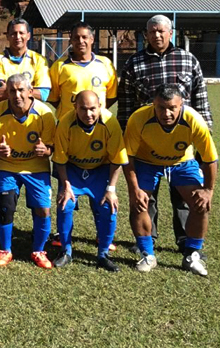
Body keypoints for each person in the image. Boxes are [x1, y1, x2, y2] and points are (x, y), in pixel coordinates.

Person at [118, 14, 213, 252]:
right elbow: (127, 103)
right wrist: (124, 132)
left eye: (161, 31)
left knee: (183, 194)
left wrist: (205, 131)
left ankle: (184, 239)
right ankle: (148, 239)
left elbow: (200, 96)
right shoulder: (134, 63)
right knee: (145, 195)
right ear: (146, 34)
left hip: (181, 142)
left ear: (171, 33)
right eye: (152, 32)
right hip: (145, 141)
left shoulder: (187, 59)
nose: (157, 35)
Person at [123, 84, 217, 276]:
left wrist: (208, 190)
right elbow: (128, 157)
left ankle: (191, 254)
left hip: (182, 162)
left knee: (201, 203)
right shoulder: (139, 118)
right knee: (139, 203)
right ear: (153, 105)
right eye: (161, 108)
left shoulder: (194, 120)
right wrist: (134, 190)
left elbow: (209, 159)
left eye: (172, 108)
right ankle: (147, 254)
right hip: (146, 161)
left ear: (181, 105)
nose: (167, 113)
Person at [0, 74, 56, 269]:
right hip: (7, 166)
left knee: (43, 209)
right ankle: (5, 250)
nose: (17, 95)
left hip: (36, 167)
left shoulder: (45, 113)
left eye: (21, 90)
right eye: (12, 91)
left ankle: (39, 250)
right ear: (6, 93)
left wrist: (45, 150)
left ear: (30, 90)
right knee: (6, 206)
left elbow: (52, 147)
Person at [52, 91, 127, 272]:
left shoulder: (110, 123)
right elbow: (60, 160)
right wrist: (66, 186)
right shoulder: (65, 123)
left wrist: (111, 188)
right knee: (65, 204)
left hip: (100, 170)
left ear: (100, 106)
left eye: (93, 109)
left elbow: (117, 159)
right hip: (73, 170)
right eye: (83, 109)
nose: (88, 114)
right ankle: (66, 251)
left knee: (109, 206)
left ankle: (103, 255)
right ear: (75, 108)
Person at [48, 22, 117, 119]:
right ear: (71, 40)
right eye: (76, 38)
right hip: (68, 124)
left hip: (98, 124)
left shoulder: (105, 64)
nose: (80, 41)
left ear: (92, 39)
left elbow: (111, 96)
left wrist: (95, 111)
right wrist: (70, 111)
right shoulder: (59, 66)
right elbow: (53, 98)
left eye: (84, 37)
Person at [0, 18, 50, 103]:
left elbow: (43, 94)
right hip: (5, 113)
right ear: (7, 36)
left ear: (28, 36)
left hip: (31, 114)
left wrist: (8, 90)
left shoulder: (39, 60)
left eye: (21, 33)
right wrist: (29, 91)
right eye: (13, 33)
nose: (17, 37)